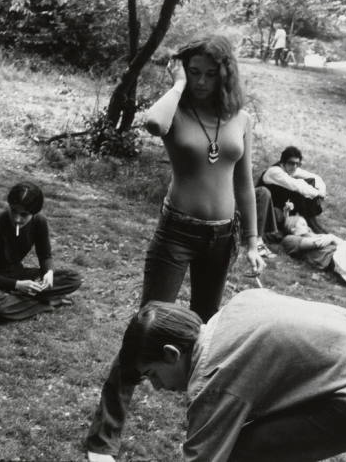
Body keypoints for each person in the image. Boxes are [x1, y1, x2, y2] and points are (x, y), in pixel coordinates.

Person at [86, 34, 266, 461]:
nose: (202, 81)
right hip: (177, 233)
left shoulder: (240, 117)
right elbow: (152, 123)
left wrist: (253, 241)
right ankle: (102, 442)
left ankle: (205, 431)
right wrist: (178, 84)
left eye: (209, 73)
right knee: (145, 332)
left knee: (208, 336)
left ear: (225, 74)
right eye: (194, 72)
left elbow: (244, 181)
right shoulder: (176, 109)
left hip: (221, 239)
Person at [118, 290, 346, 462]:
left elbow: (204, 458)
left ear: (172, 353)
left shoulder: (213, 380)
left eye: (153, 375)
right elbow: (341, 314)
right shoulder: (239, 305)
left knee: (241, 452)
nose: (159, 387)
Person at [0, 181, 82, 321]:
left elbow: (45, 256)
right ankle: (44, 303)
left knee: (73, 278)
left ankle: (16, 300)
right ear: (9, 206)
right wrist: (17, 285)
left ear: (34, 213)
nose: (17, 218)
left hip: (17, 273)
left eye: (24, 214)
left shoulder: (39, 222)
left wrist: (49, 273)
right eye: (14, 211)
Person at [256, 146, 327, 234]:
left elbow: (316, 178)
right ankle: (311, 225)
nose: (294, 167)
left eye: (297, 164)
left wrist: (321, 191)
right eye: (291, 163)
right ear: (282, 161)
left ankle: (310, 223)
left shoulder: (289, 169)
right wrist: (318, 194)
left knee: (310, 182)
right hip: (266, 210)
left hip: (280, 204)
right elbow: (296, 185)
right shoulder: (274, 172)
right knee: (301, 191)